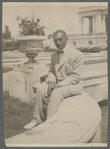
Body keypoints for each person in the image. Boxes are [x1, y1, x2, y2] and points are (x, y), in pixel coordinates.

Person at [24, 30, 83, 129]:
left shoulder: (77, 54)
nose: (58, 43)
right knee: (41, 89)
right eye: (55, 40)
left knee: (56, 93)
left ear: (66, 38)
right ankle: (36, 120)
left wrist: (59, 85)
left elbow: (76, 77)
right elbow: (51, 71)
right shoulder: (54, 55)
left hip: (73, 85)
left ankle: (49, 124)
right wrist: (51, 81)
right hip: (58, 82)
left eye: (60, 39)